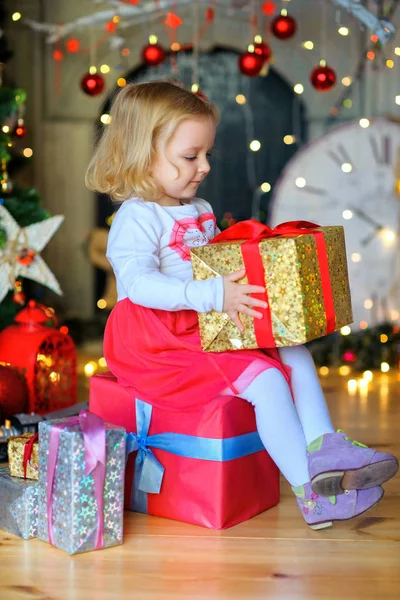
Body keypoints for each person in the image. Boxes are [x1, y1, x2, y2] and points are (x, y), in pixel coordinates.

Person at [85, 80, 398, 530]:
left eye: (207, 154)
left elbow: (217, 266)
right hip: (159, 338)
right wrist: (211, 294)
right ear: (142, 153)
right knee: (267, 381)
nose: (205, 166)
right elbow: (138, 287)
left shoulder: (198, 207)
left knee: (295, 353)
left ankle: (325, 452)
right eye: (191, 156)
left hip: (207, 320)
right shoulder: (138, 216)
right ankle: (313, 495)